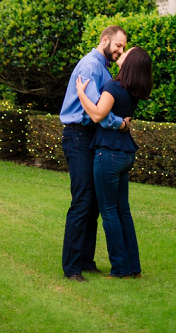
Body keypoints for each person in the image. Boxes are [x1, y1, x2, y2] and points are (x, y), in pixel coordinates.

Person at [59, 25, 130, 282]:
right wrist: (120, 123)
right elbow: (95, 112)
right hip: (78, 135)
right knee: (82, 200)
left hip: (88, 137)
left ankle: (86, 261)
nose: (120, 50)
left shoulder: (102, 68)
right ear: (105, 41)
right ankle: (72, 268)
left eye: (123, 47)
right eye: (118, 45)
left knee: (93, 204)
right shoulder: (90, 66)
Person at [76, 46, 153, 279]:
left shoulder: (113, 87)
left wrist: (81, 93)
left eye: (126, 53)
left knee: (109, 212)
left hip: (108, 154)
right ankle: (133, 268)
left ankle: (120, 269)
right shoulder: (133, 92)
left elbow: (98, 115)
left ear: (130, 63)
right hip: (125, 154)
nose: (121, 54)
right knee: (123, 212)